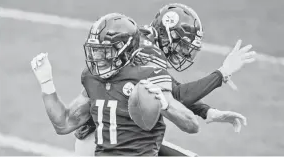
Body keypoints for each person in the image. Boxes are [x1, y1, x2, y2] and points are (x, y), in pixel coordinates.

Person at [74, 3, 256, 156]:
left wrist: (207, 111)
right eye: (183, 45)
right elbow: (177, 95)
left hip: (108, 138)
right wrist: (221, 74)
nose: (184, 53)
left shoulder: (144, 42)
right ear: (169, 36)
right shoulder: (149, 51)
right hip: (102, 141)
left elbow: (169, 86)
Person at [31, 13, 200, 156]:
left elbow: (191, 125)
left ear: (126, 50)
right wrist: (47, 84)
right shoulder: (93, 79)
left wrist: (165, 105)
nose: (97, 57)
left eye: (104, 51)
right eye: (94, 50)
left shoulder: (147, 75)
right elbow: (64, 123)